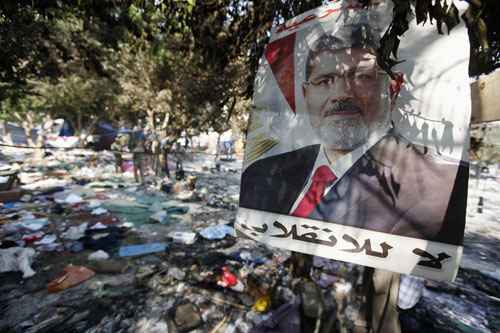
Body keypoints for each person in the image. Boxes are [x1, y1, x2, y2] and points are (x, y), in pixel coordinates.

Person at [239, 23, 468, 246]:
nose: (341, 94)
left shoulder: (438, 189)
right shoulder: (262, 173)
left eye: (362, 77)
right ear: (306, 94)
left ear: (392, 89)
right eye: (325, 80)